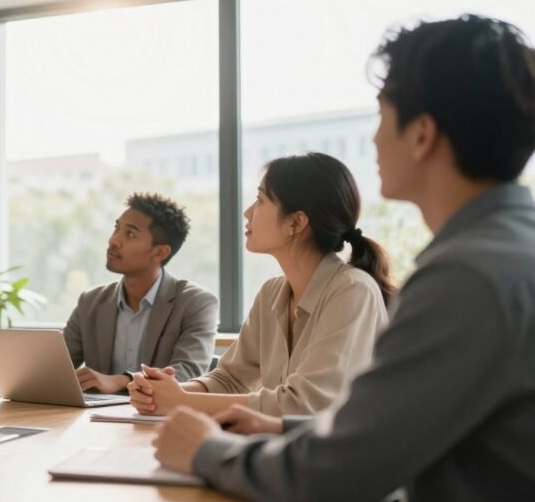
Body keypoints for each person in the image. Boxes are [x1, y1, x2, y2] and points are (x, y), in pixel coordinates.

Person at [153, 15, 535, 502]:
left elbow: (330, 480)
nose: (374, 140)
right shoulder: (506, 250)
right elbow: (399, 426)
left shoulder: (467, 277)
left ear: (422, 135)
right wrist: (284, 429)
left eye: (381, 116)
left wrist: (204, 450)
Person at [129, 154, 392, 416]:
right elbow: (229, 379)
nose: (247, 212)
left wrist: (179, 401)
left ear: (296, 222)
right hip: (285, 451)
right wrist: (167, 391)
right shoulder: (271, 293)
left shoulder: (353, 291)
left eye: (260, 200)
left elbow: (305, 404)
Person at [63, 192, 218, 394]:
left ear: (160, 252)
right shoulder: (90, 302)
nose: (114, 240)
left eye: (130, 234)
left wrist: (122, 380)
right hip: (95, 419)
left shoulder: (197, 303)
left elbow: (188, 372)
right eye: (116, 228)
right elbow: (55, 368)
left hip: (160, 418)